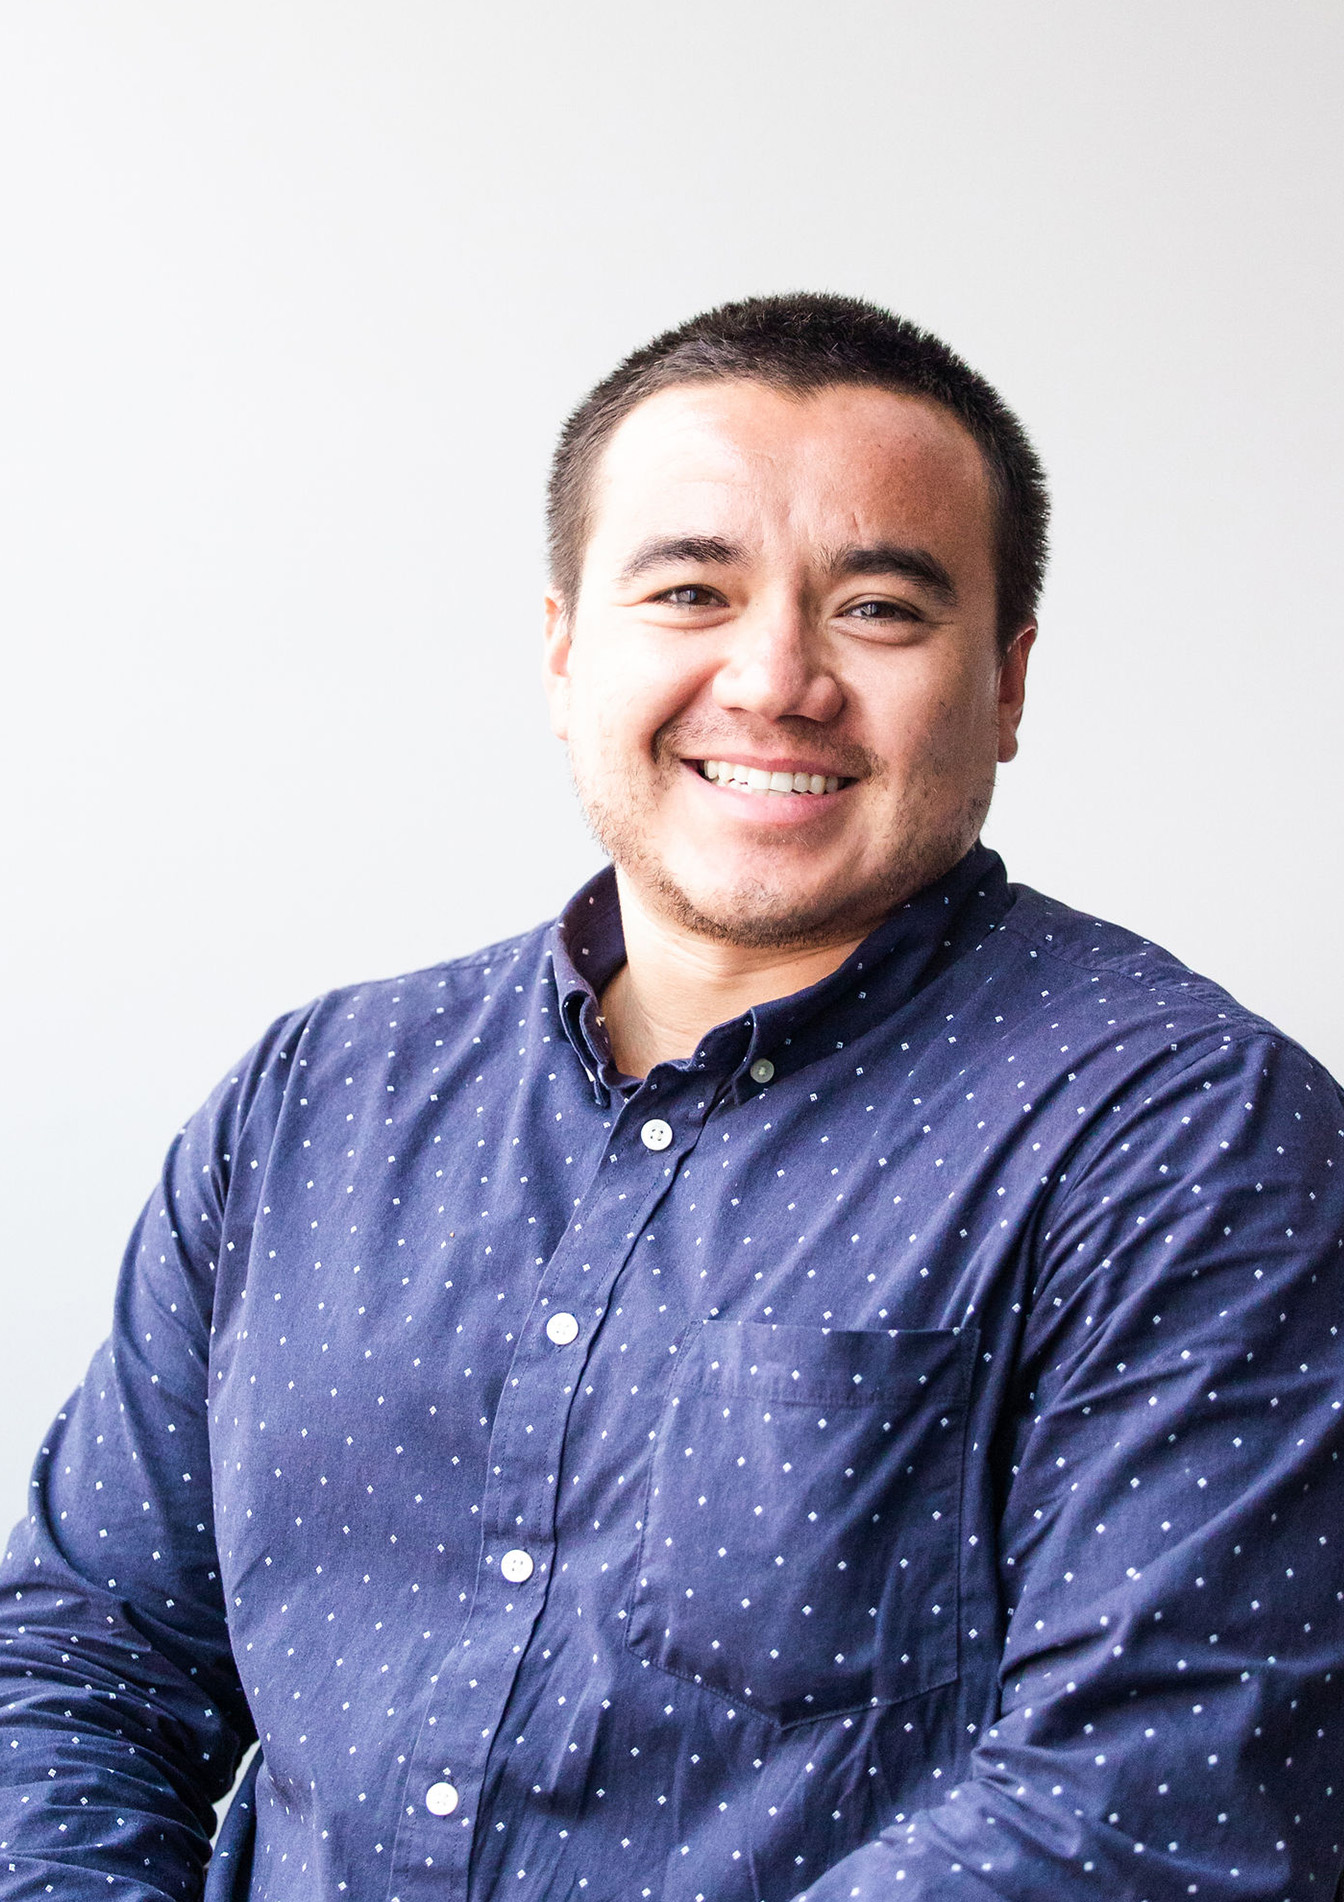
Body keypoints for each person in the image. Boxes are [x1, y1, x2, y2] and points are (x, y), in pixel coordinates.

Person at [1, 293, 1341, 1902]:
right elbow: (80, 1663)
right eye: (692, 588)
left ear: (1006, 682)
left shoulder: (1194, 1139)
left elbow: (1148, 1803)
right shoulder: (314, 1103)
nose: (775, 678)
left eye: (881, 610)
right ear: (567, 649)